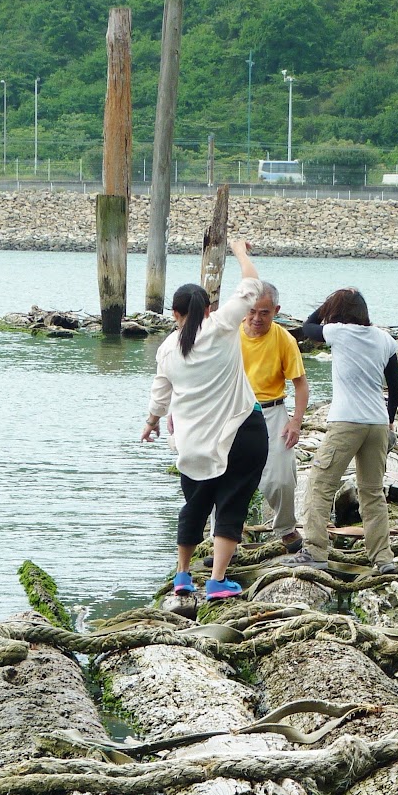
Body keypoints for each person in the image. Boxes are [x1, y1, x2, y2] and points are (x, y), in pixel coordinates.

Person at [141, 237, 269, 601]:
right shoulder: (221, 327)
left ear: (175, 313)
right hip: (240, 433)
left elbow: (160, 397)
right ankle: (216, 581)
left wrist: (151, 423)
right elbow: (251, 286)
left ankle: (182, 576)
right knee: (232, 503)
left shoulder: (167, 350)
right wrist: (241, 251)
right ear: (209, 308)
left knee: (194, 506)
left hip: (192, 443)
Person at [291, 288, 398, 571]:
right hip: (376, 424)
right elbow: (395, 387)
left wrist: (327, 304)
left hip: (346, 422)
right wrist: (389, 421)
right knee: (373, 492)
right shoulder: (385, 339)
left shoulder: (338, 332)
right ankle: (382, 558)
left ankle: (315, 550)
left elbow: (307, 327)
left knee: (320, 485)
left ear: (337, 313)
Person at [239, 282, 309, 552]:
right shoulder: (230, 334)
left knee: (280, 477)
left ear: (276, 311)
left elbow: (300, 384)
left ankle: (286, 528)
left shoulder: (284, 339)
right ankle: (227, 537)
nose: (257, 319)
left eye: (264, 313)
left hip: (272, 411)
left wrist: (296, 421)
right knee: (224, 476)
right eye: (252, 311)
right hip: (234, 412)